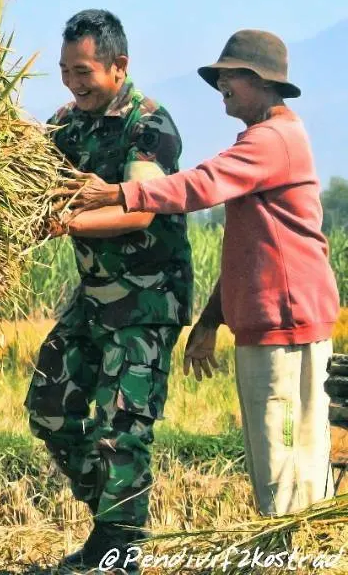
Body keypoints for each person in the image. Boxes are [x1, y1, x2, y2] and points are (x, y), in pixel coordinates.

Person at [62, 29, 339, 517]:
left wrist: (121, 194)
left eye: (229, 76)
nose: (221, 87)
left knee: (286, 453)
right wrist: (210, 320)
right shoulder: (262, 140)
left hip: (287, 325)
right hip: (268, 321)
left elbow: (201, 185)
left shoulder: (273, 140)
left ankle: (293, 552)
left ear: (259, 80)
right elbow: (245, 256)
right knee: (273, 449)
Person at [26, 9, 194, 573]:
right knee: (50, 408)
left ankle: (119, 548)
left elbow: (139, 211)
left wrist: (64, 223)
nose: (73, 83)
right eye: (65, 71)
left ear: (118, 67)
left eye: (84, 71)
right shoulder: (67, 124)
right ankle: (112, 521)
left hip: (148, 298)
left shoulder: (149, 124)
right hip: (95, 294)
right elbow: (26, 169)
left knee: (122, 425)